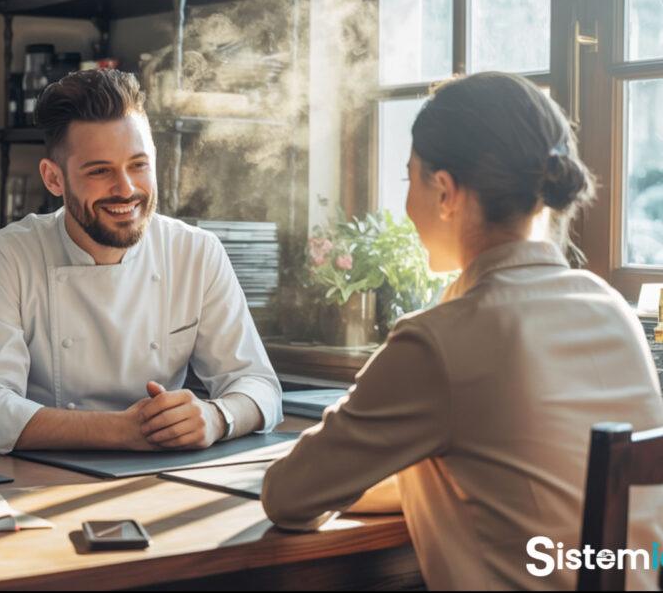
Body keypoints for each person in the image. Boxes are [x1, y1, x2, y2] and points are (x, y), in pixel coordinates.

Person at [261, 72, 663, 590]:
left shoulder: (441, 342)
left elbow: (289, 497)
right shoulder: (610, 308)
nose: (405, 205)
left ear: (446, 191)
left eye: (409, 179)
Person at [0, 69, 282, 453]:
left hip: (162, 477)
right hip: (38, 480)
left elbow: (258, 385)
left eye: (138, 165)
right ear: (54, 179)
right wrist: (122, 430)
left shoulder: (195, 252)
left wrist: (216, 417)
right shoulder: (8, 256)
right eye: (100, 171)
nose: (126, 189)